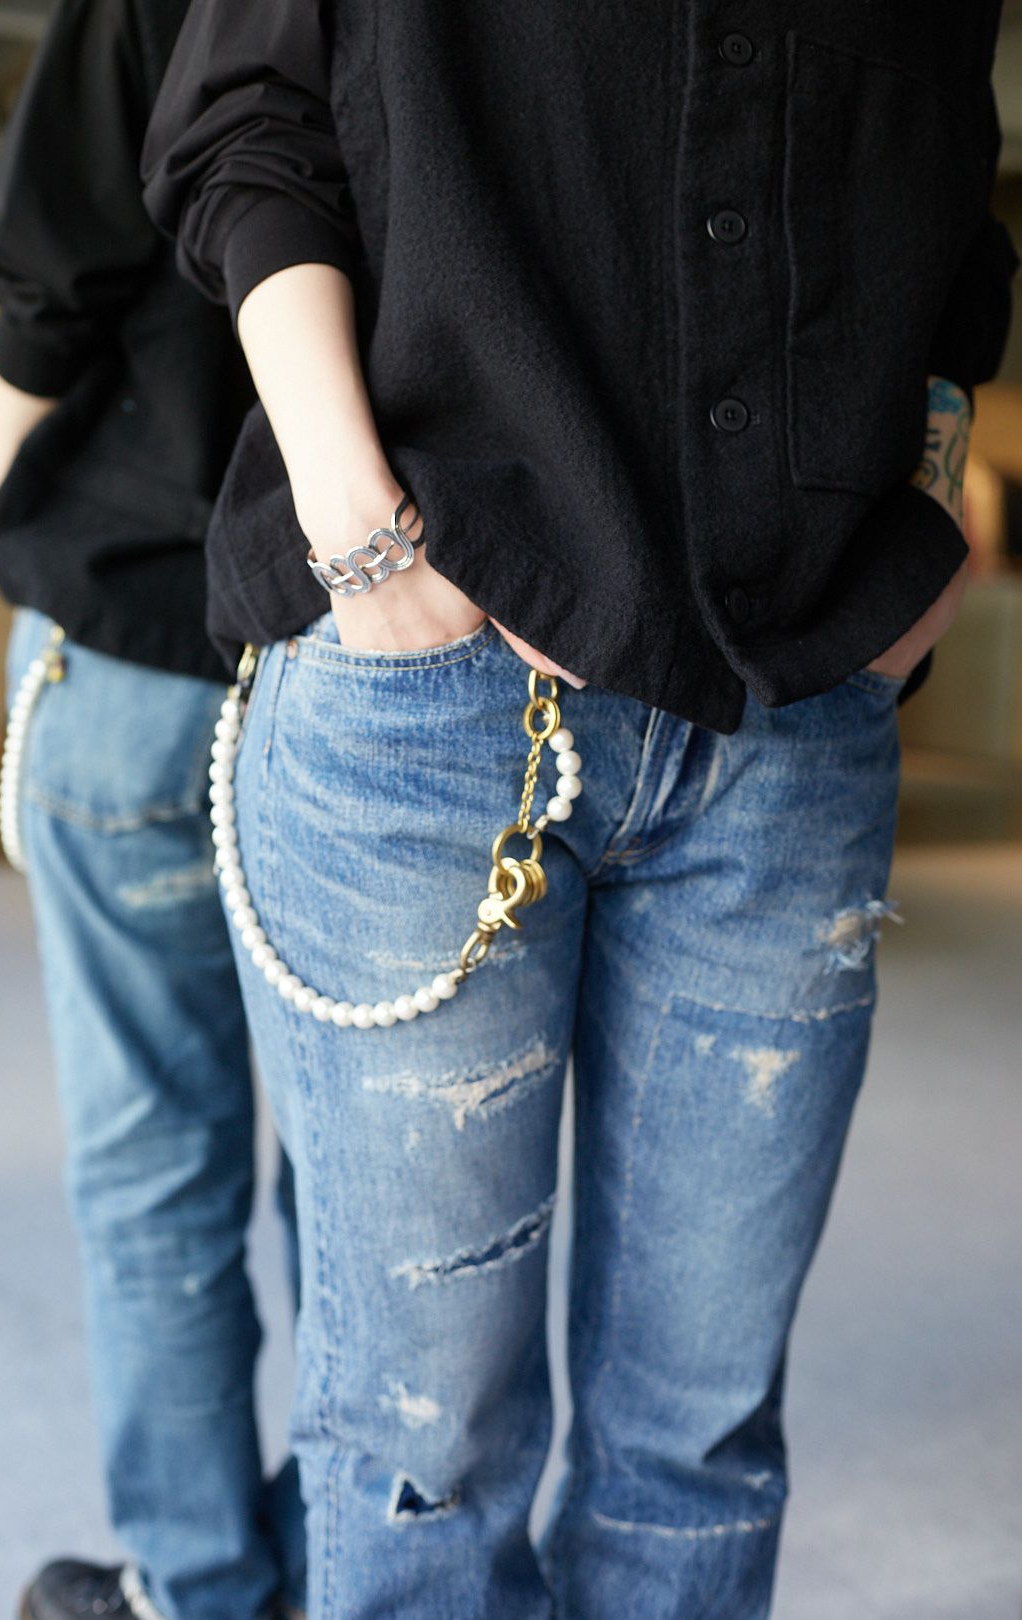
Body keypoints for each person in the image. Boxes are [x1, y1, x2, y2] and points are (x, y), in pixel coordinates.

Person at [142, 5, 1019, 1616]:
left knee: (701, 1442)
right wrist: (361, 536)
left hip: (792, 703)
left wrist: (930, 500)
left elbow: (953, 207)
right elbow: (245, 121)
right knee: (426, 1443)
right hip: (435, 693)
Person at [0, 3, 306, 1617]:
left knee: (155, 1161)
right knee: (371, 1191)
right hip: (372, 649)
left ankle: (196, 1587)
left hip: (131, 626)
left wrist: (6, 510)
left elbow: (56, 264)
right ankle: (361, 1567)